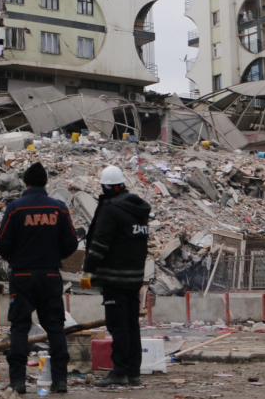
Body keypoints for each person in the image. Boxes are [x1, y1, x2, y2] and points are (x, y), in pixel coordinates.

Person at [0, 162, 78, 395]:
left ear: (25, 183)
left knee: (20, 327)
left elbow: (1, 243)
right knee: (54, 327)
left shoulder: (15, 209)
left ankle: (18, 381)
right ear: (45, 183)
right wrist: (53, 255)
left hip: (21, 275)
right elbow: (71, 243)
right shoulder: (58, 209)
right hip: (50, 275)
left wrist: (17, 257)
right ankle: (60, 381)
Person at [80, 166, 151, 388]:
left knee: (118, 326)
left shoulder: (110, 209)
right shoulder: (137, 209)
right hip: (134, 278)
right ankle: (133, 373)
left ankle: (119, 372)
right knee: (131, 326)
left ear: (105, 187)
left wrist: (87, 269)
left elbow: (100, 242)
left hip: (114, 279)